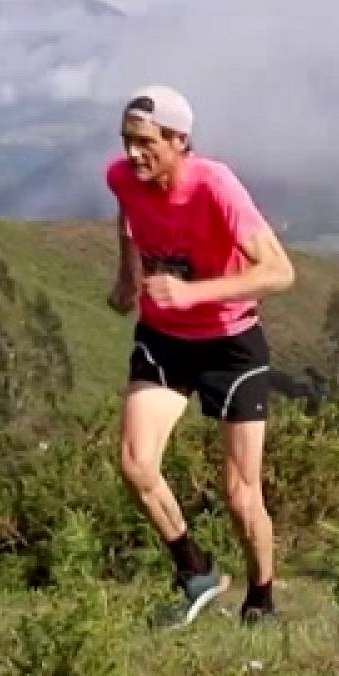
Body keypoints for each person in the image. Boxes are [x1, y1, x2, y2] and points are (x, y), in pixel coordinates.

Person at [105, 84, 296, 628]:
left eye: (145, 142)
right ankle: (196, 572)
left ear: (179, 140)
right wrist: (128, 276)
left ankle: (261, 597)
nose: (133, 154)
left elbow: (280, 272)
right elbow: (126, 213)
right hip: (163, 338)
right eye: (126, 141)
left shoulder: (216, 186)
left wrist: (192, 293)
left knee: (240, 494)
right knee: (136, 464)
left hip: (230, 345)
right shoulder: (122, 178)